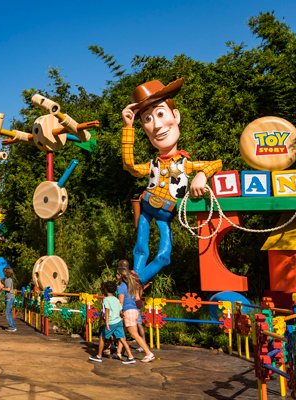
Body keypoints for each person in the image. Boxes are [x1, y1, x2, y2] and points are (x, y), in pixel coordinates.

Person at [121, 78, 222, 284]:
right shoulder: (152, 164)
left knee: (164, 255)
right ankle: (135, 281)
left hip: (166, 212)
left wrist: (202, 175)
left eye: (160, 114)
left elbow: (215, 163)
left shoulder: (185, 163)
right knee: (140, 248)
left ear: (175, 116)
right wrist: (128, 127)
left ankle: (137, 282)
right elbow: (130, 166)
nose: (156, 125)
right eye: (148, 119)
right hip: (147, 205)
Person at [116, 262, 155, 362]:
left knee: (134, 335)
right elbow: (138, 298)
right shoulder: (132, 285)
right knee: (122, 332)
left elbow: (120, 302)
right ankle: (119, 352)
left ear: (120, 276)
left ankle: (149, 353)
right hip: (134, 310)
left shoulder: (121, 287)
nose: (116, 276)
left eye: (117, 274)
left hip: (127, 311)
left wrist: (118, 312)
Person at [89, 281, 135, 364]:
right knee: (122, 339)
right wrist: (121, 315)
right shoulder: (116, 299)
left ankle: (99, 356)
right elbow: (120, 310)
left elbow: (107, 311)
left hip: (111, 322)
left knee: (102, 338)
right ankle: (131, 357)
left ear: (106, 289)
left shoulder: (106, 300)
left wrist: (106, 323)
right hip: (118, 322)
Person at [1, 267, 16, 332]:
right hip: (8, 297)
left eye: (4, 272)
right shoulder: (8, 280)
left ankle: (12, 326)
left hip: (9, 297)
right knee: (8, 312)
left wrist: (2, 289)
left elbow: (8, 289)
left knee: (7, 312)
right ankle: (12, 325)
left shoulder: (8, 280)